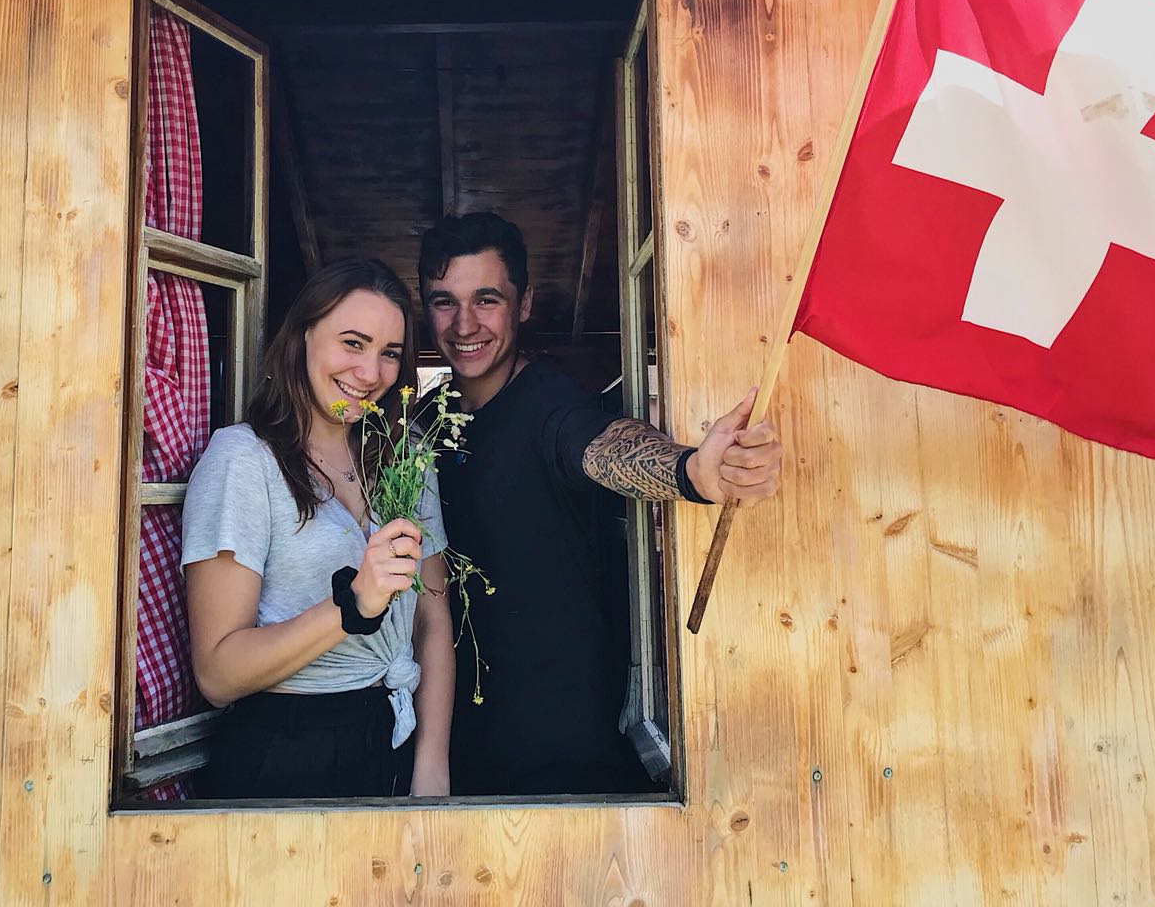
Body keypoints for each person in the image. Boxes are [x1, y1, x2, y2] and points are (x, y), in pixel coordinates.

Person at [419, 213, 782, 796]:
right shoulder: (423, 422)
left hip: (558, 748)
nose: (465, 323)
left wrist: (690, 471)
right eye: (444, 302)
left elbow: (604, 445)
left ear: (525, 303)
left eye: (487, 299)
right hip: (446, 740)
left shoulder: (548, 402)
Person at [182, 258, 455, 799]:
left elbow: (433, 617)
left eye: (389, 354)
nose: (371, 372)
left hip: (393, 737)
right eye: (352, 343)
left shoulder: (405, 460)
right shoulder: (244, 461)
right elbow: (217, 673)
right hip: (286, 752)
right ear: (303, 335)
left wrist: (432, 766)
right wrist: (353, 604)